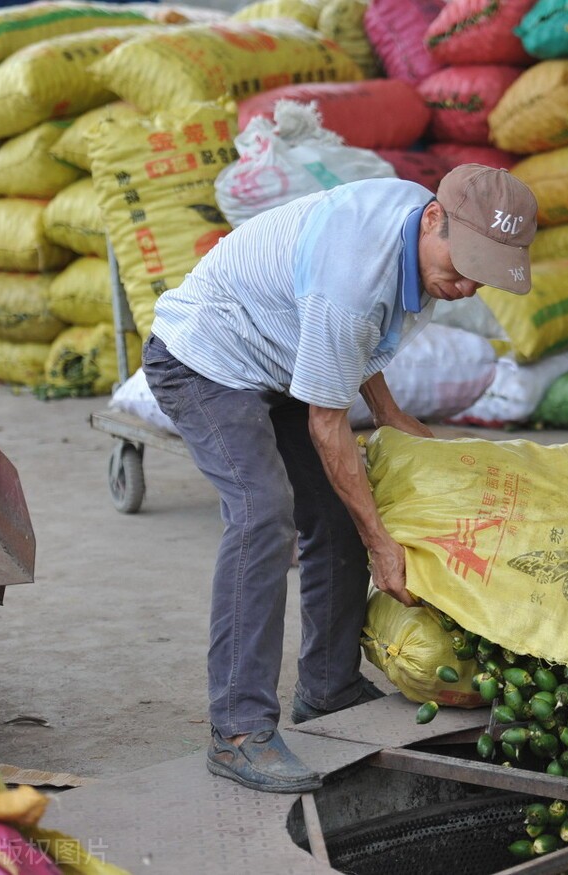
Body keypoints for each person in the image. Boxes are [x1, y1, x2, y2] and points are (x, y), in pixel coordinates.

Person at [141, 165, 538, 792]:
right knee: (263, 513)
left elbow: (353, 339)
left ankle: (327, 689)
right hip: (205, 359)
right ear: (434, 219)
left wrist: (388, 413)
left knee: (336, 512)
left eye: (481, 276)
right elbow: (329, 415)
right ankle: (238, 730)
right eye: (461, 266)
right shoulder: (351, 277)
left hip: (283, 355)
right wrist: (382, 545)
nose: (463, 287)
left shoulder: (413, 226)